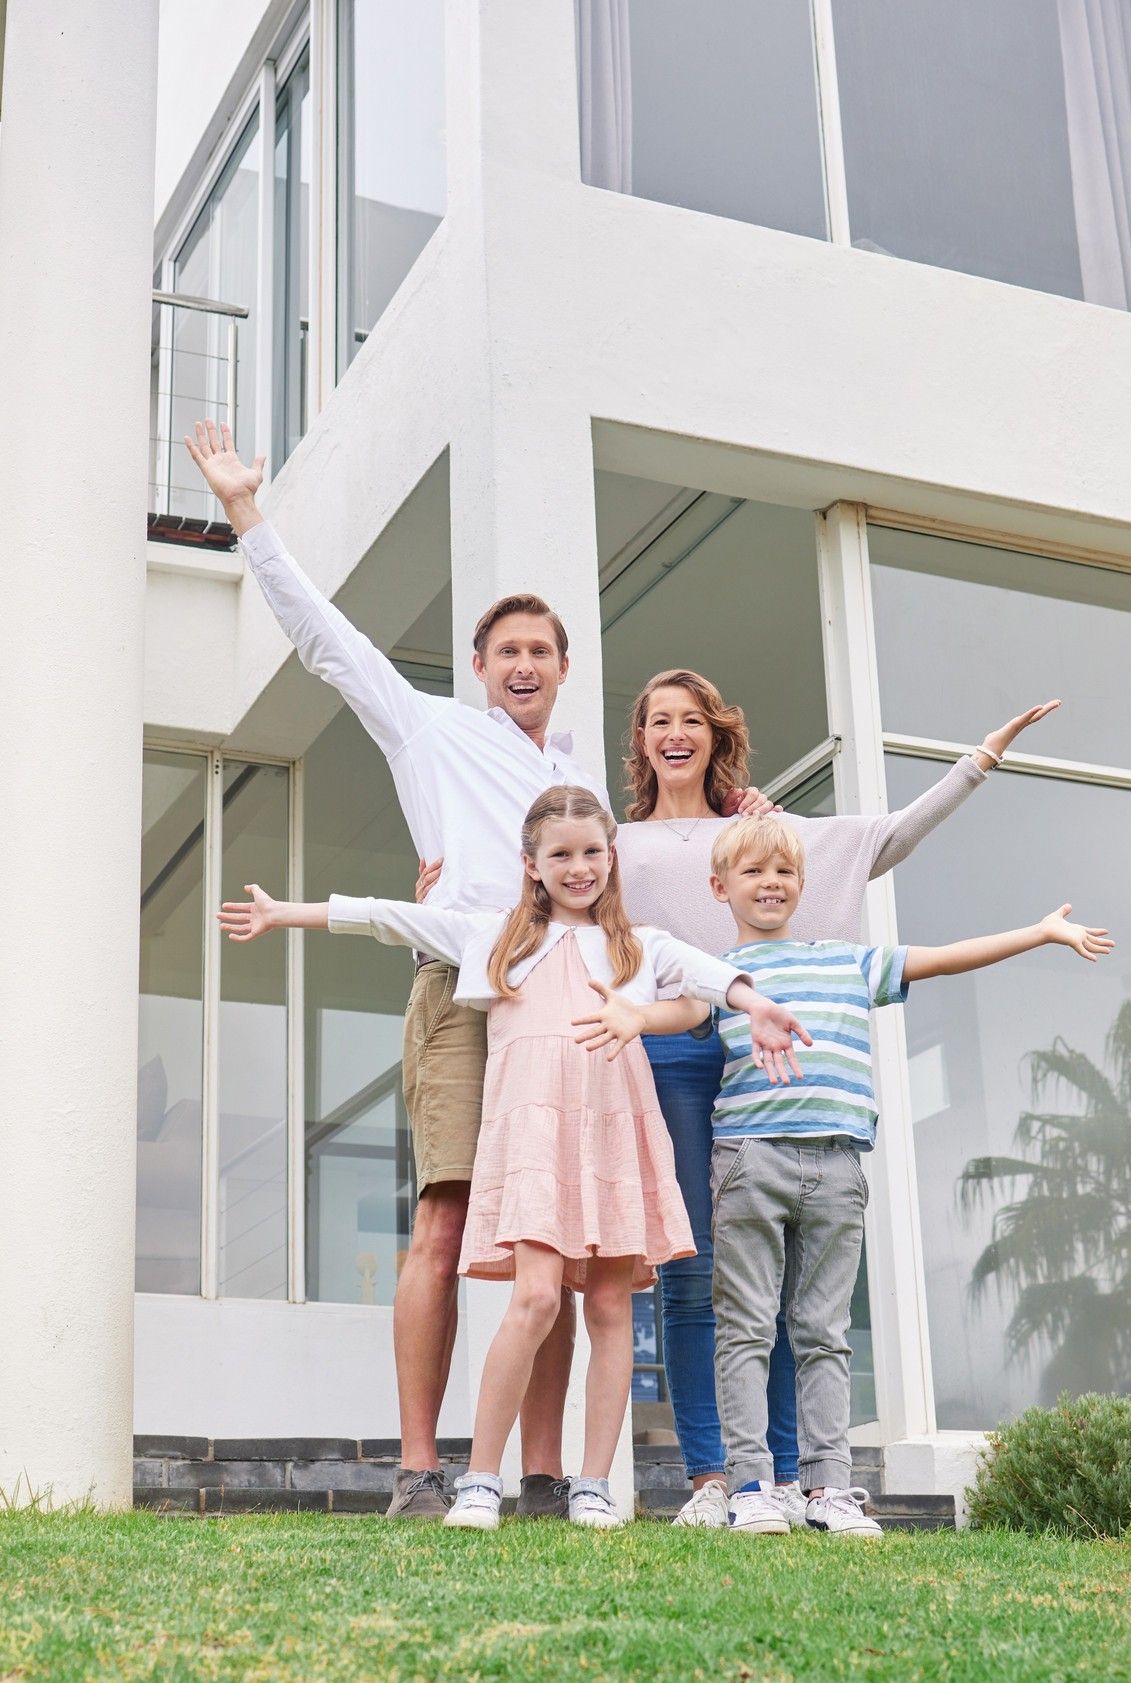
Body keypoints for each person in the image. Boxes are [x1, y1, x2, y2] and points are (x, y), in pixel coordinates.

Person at [184, 418, 605, 1520]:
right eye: (504, 650)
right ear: (478, 668)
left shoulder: (573, 778)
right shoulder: (430, 732)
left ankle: (547, 1476)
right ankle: (421, 1469)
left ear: (563, 671)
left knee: (551, 1243)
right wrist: (246, 515)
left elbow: (629, 878)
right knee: (447, 1226)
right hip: (465, 1002)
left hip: (563, 1013)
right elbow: (325, 641)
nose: (522, 665)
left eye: (540, 651)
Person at [218, 787, 809, 1530]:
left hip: (610, 1135)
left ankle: (591, 1483)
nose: (579, 866)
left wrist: (756, 1006)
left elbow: (710, 976)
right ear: (530, 865)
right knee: (533, 1297)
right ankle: (478, 1479)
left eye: (592, 851)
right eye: (560, 853)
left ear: (610, 858)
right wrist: (286, 913)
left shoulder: (640, 944)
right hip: (532, 1140)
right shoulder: (492, 936)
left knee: (606, 1305)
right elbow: (383, 915)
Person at [606, 669, 1059, 1527]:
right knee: (693, 1271)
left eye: (691, 720)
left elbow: (888, 836)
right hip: (675, 1048)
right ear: (640, 741)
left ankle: (786, 1473)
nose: (674, 733)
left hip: (770, 1062)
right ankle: (715, 1476)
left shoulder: (762, 833)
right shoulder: (620, 844)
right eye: (657, 721)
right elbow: (558, 889)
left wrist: (978, 761)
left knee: (779, 1288)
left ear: (715, 733)